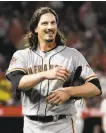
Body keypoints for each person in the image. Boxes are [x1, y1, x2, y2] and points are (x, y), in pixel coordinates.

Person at [6, 7, 102, 133]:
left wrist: (69, 91)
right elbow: (16, 82)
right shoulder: (22, 55)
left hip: (62, 125)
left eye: (53, 23)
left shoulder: (72, 55)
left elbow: (95, 88)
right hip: (31, 126)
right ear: (35, 29)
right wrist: (45, 74)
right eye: (45, 23)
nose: (50, 27)